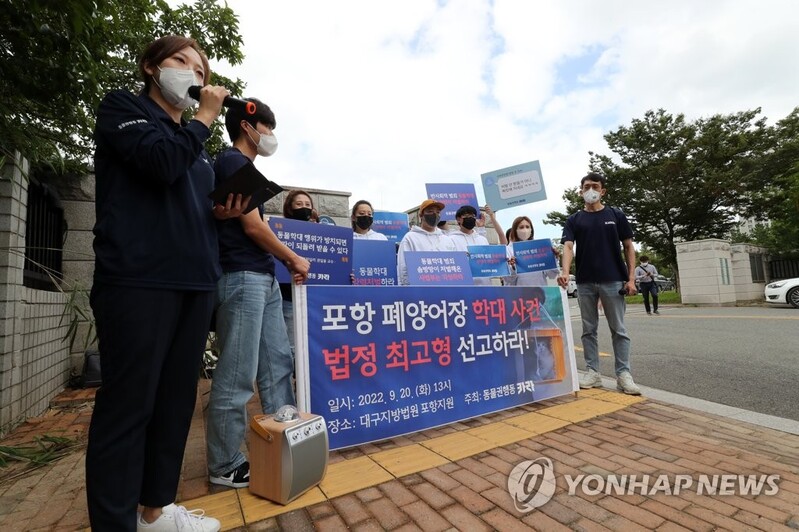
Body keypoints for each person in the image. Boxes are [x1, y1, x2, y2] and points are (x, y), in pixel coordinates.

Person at [87, 35, 246, 531]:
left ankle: (154, 512)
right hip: (137, 281)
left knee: (174, 407)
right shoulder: (125, 110)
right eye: (181, 61)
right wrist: (203, 121)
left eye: (200, 69)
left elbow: (188, 207)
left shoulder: (196, 154)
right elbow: (158, 163)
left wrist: (222, 212)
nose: (193, 74)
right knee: (127, 410)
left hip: (194, 285)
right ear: (151, 68)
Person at [206, 98, 310, 490]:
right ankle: (224, 463)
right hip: (242, 276)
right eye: (267, 128)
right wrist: (294, 259)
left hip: (261, 278)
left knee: (277, 365)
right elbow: (252, 227)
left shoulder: (247, 169)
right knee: (238, 373)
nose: (270, 136)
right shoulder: (233, 163)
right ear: (249, 128)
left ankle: (285, 439)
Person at [557, 172, 641, 395]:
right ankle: (593, 372)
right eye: (586, 186)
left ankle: (623, 375)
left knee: (619, 330)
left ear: (603, 191)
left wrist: (630, 278)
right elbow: (567, 247)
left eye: (595, 186)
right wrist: (565, 272)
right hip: (584, 282)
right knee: (588, 330)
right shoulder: (574, 220)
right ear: (581, 191)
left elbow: (629, 247)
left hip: (613, 280)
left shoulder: (616, 215)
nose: (590, 190)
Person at [280, 189, 319, 353]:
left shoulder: (321, 234)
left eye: (307, 204)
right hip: (288, 297)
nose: (304, 207)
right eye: (299, 204)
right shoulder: (278, 232)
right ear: (290, 208)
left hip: (314, 300)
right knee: (291, 347)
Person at [397, 199, 456, 285]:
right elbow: (403, 269)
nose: (435, 215)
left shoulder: (447, 240)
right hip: (420, 292)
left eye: (438, 212)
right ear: (421, 215)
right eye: (430, 211)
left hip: (445, 291)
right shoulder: (410, 238)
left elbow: (454, 266)